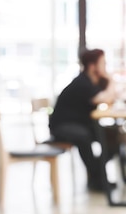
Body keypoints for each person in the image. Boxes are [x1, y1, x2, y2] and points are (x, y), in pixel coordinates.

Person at [49, 49, 118, 191]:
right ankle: (97, 178)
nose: (105, 66)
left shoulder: (92, 82)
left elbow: (109, 97)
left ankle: (96, 175)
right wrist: (111, 79)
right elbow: (104, 98)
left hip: (80, 124)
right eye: (103, 63)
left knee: (113, 136)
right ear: (92, 66)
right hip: (62, 126)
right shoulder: (82, 82)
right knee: (84, 137)